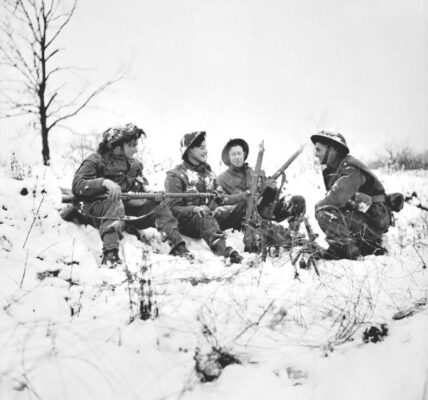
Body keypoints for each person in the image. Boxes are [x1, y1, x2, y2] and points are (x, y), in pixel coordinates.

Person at [72, 123, 190, 267]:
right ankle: (110, 255)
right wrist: (104, 183)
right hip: (97, 212)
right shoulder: (95, 160)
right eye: (132, 145)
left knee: (160, 205)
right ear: (117, 145)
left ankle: (179, 246)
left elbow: (143, 186)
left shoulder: (135, 165)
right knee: (114, 202)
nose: (136, 149)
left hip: (125, 212)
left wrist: (152, 195)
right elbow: (77, 185)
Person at [164, 131, 244, 263]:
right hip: (189, 223)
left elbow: (221, 199)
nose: (206, 151)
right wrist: (195, 209)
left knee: (242, 207)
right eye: (202, 148)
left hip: (210, 218)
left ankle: (260, 243)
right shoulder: (176, 175)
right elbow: (173, 209)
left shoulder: (208, 174)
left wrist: (243, 197)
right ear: (189, 150)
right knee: (205, 215)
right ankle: (227, 252)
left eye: (205, 147)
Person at [311, 130, 391, 259]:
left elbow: (335, 199)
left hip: (373, 222)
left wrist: (318, 207)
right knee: (329, 210)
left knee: (323, 212)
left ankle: (350, 253)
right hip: (368, 219)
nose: (316, 154)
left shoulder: (350, 168)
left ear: (332, 149)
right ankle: (366, 246)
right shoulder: (339, 167)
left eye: (319, 150)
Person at [216, 138, 306, 252]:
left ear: (244, 154)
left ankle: (293, 233)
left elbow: (269, 197)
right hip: (243, 219)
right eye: (233, 154)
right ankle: (271, 238)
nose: (237, 157)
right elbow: (220, 202)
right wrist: (244, 199)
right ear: (228, 157)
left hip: (264, 211)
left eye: (239, 153)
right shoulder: (221, 179)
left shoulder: (255, 172)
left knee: (297, 201)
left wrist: (271, 189)